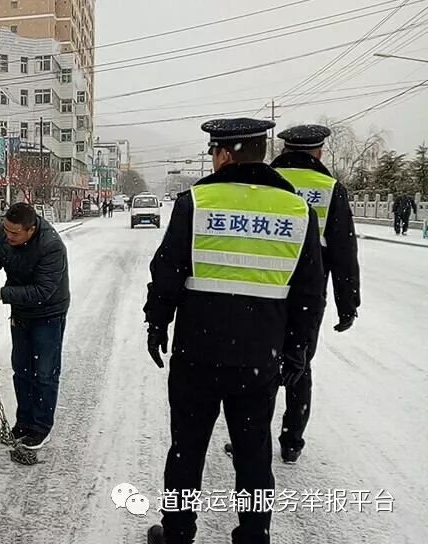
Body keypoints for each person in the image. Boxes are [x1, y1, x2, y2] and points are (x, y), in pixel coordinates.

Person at [143, 118, 326, 544]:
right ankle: (253, 535)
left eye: (213, 152)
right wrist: (299, 349)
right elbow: (310, 292)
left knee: (186, 450)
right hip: (260, 357)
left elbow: (167, 270)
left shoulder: (198, 201)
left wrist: (157, 322)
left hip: (197, 353)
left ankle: (177, 532)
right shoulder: (297, 209)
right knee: (254, 453)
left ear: (224, 154)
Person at [253, 124, 359, 463]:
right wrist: (348, 303)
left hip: (264, 288)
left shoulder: (263, 181)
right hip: (308, 295)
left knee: (259, 364)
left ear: (284, 149)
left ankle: (252, 435)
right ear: (319, 152)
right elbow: (343, 252)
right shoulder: (330, 189)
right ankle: (292, 440)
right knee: (299, 364)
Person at [0, 203, 70, 450]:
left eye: (14, 233)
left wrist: (4, 294)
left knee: (44, 372)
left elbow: (43, 291)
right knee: (22, 369)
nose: (8, 236)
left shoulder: (51, 246)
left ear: (31, 230)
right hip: (21, 313)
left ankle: (41, 427)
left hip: (48, 313)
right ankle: (24, 422)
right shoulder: (7, 232)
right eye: (6, 231)